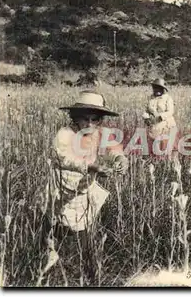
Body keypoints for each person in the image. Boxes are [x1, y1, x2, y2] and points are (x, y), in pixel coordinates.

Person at [37, 90, 128, 286]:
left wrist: (121, 159)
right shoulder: (65, 133)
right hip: (63, 185)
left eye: (94, 120)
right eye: (84, 119)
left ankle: (89, 271)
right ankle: (46, 259)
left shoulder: (100, 133)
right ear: (75, 118)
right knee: (55, 220)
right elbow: (62, 158)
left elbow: (115, 148)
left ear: (99, 121)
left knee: (81, 226)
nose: (89, 124)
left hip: (85, 187)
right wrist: (91, 167)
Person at [142, 78, 177, 154]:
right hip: (154, 126)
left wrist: (161, 116)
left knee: (166, 146)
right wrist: (146, 118)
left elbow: (170, 111)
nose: (157, 90)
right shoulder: (150, 98)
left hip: (166, 125)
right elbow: (146, 110)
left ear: (163, 89)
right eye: (155, 88)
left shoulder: (168, 98)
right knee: (154, 146)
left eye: (159, 88)